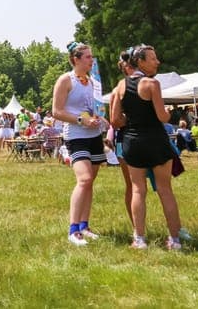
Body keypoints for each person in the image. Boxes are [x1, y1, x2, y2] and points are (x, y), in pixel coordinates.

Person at [109, 44, 185, 251]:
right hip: (155, 140)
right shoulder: (152, 84)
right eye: (153, 58)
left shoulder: (120, 86)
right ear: (140, 61)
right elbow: (162, 117)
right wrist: (173, 114)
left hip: (132, 142)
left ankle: (139, 239)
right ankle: (175, 240)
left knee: (137, 190)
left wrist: (133, 121)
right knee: (165, 190)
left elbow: (115, 120)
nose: (157, 61)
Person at [52, 42, 106, 246]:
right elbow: (56, 112)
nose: (92, 60)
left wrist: (101, 118)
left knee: (90, 181)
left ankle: (85, 225)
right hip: (75, 135)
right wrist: (81, 120)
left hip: (94, 135)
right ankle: (73, 229)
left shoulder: (93, 82)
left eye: (92, 57)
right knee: (83, 179)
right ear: (76, 59)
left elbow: (93, 108)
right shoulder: (65, 80)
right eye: (87, 57)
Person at [107, 49, 136, 230]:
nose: (131, 68)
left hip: (145, 138)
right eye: (128, 66)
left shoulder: (148, 84)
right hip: (124, 140)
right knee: (132, 185)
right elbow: (114, 120)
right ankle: (137, 227)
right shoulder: (118, 90)